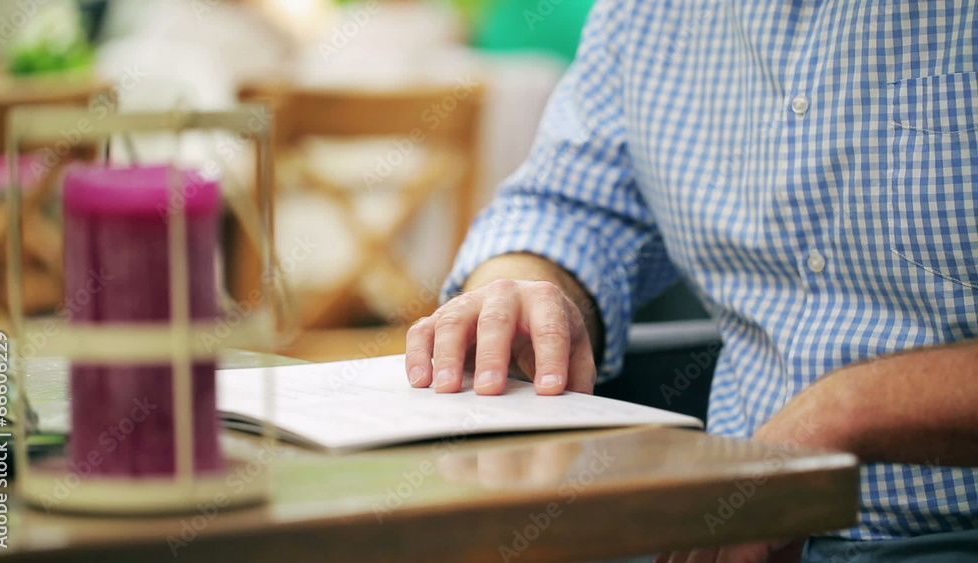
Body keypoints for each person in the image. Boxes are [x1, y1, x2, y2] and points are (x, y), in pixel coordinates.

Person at [404, 0, 978, 560]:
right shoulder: (649, 14)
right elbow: (570, 204)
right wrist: (523, 284)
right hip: (717, 522)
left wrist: (848, 412)